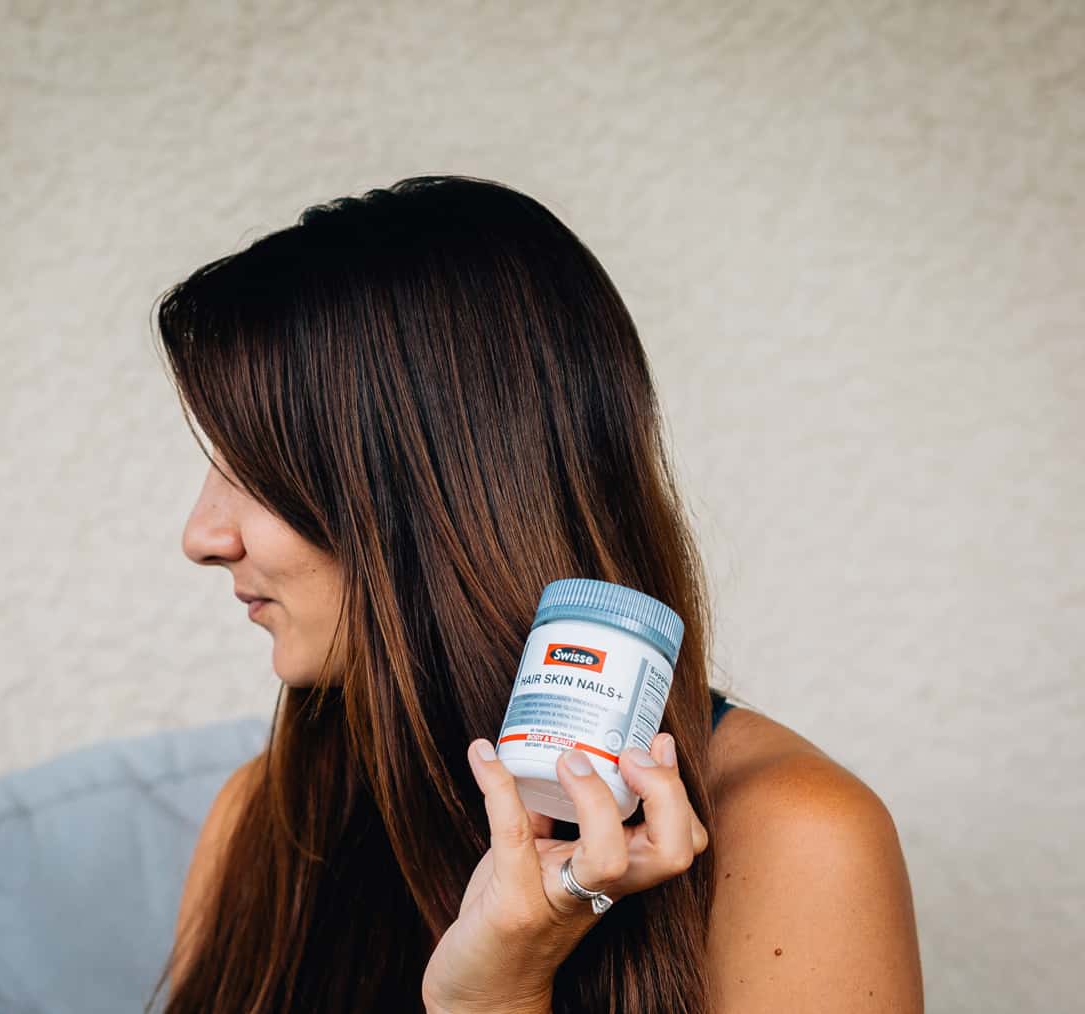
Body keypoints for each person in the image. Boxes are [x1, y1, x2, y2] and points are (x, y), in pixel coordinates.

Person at [146, 175, 923, 1013]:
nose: (202, 536)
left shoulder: (798, 837)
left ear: (438, 489)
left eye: (252, 468)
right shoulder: (263, 819)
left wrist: (496, 997)